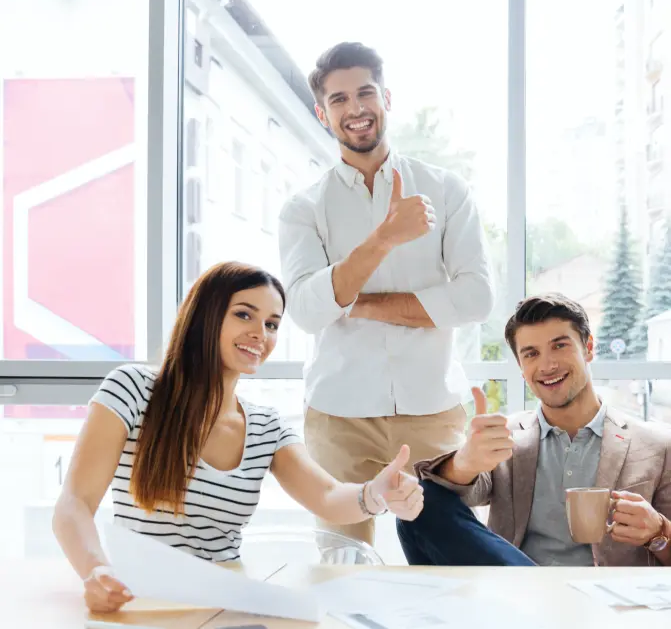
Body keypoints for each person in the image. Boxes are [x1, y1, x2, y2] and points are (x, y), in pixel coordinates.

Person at [52, 262, 424, 613]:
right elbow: (74, 503)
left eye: (272, 324)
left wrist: (377, 493)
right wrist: (95, 570)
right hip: (144, 602)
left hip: (226, 607)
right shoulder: (132, 388)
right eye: (244, 315)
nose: (261, 334)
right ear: (205, 315)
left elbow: (328, 496)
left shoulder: (266, 426)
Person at [278, 41, 494, 545]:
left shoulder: (446, 189)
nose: (355, 108)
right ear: (322, 114)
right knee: (342, 560)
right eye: (338, 99)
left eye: (365, 93)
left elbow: (477, 298)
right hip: (338, 415)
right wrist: (385, 239)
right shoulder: (303, 208)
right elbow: (306, 311)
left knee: (454, 556)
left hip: (433, 410)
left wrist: (357, 303)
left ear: (387, 98)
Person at [398, 293, 671, 567]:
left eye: (560, 346)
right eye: (531, 354)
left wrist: (658, 531)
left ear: (588, 348)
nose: (547, 365)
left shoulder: (657, 446)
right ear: (521, 367)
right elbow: (450, 497)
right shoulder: (504, 437)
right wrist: (465, 462)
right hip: (518, 586)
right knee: (417, 503)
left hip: (607, 591)